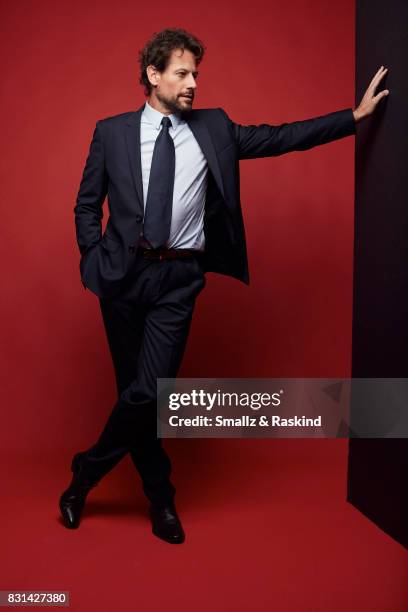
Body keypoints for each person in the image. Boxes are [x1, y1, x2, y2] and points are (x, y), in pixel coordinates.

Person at [59, 27, 389, 544]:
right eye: (182, 73)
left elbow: (282, 137)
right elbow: (86, 202)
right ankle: (160, 498)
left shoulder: (214, 129)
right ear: (153, 75)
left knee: (150, 391)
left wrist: (352, 118)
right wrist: (91, 256)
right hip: (122, 279)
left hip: (178, 281)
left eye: (196, 74)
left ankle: (85, 474)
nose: (193, 83)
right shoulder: (112, 132)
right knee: (138, 399)